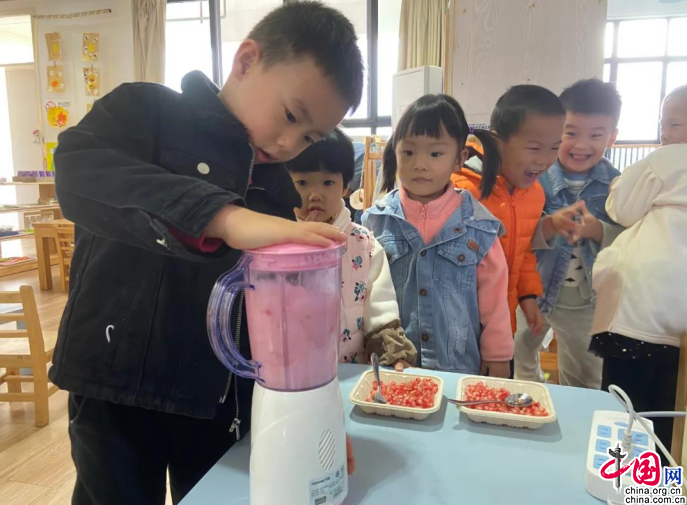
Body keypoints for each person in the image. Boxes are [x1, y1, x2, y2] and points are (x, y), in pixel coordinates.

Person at [49, 3, 364, 504]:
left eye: (308, 137)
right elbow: (78, 171)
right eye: (290, 115)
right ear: (246, 61)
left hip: (219, 399)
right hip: (115, 386)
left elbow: (273, 326)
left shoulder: (275, 188)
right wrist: (225, 218)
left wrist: (313, 422)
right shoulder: (145, 111)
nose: (288, 143)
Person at [364, 94, 513, 376]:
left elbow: (494, 300)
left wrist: (498, 354)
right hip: (393, 368)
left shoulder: (479, 227)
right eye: (409, 152)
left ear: (459, 159)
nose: (420, 164)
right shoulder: (375, 222)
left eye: (435, 154)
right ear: (395, 153)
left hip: (457, 365)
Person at [589, 84, 687, 450]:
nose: (665, 133)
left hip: (640, 311)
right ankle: (664, 478)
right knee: (669, 412)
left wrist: (618, 185)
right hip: (677, 318)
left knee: (625, 411)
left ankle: (619, 475)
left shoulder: (667, 158)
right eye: (664, 125)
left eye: (673, 124)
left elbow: (622, 208)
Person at [514, 79, 623, 389]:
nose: (581, 145)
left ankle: (577, 415)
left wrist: (598, 230)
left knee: (585, 377)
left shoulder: (618, 186)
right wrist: (549, 225)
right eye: (570, 133)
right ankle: (531, 401)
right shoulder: (533, 180)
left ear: (612, 137)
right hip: (532, 295)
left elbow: (630, 240)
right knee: (518, 360)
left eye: (596, 135)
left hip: (585, 304)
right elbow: (516, 235)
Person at [451, 85, 565, 376]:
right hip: (458, 328)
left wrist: (527, 297)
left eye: (554, 147)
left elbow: (524, 250)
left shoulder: (534, 194)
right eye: (534, 148)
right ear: (498, 141)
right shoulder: (462, 189)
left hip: (503, 327)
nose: (544, 160)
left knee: (497, 396)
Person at [286, 128, 417, 370]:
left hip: (350, 372)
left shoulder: (364, 244)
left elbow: (380, 308)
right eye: (302, 182)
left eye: (328, 182)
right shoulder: (276, 241)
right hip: (293, 372)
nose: (315, 195)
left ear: (346, 187)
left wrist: (394, 353)